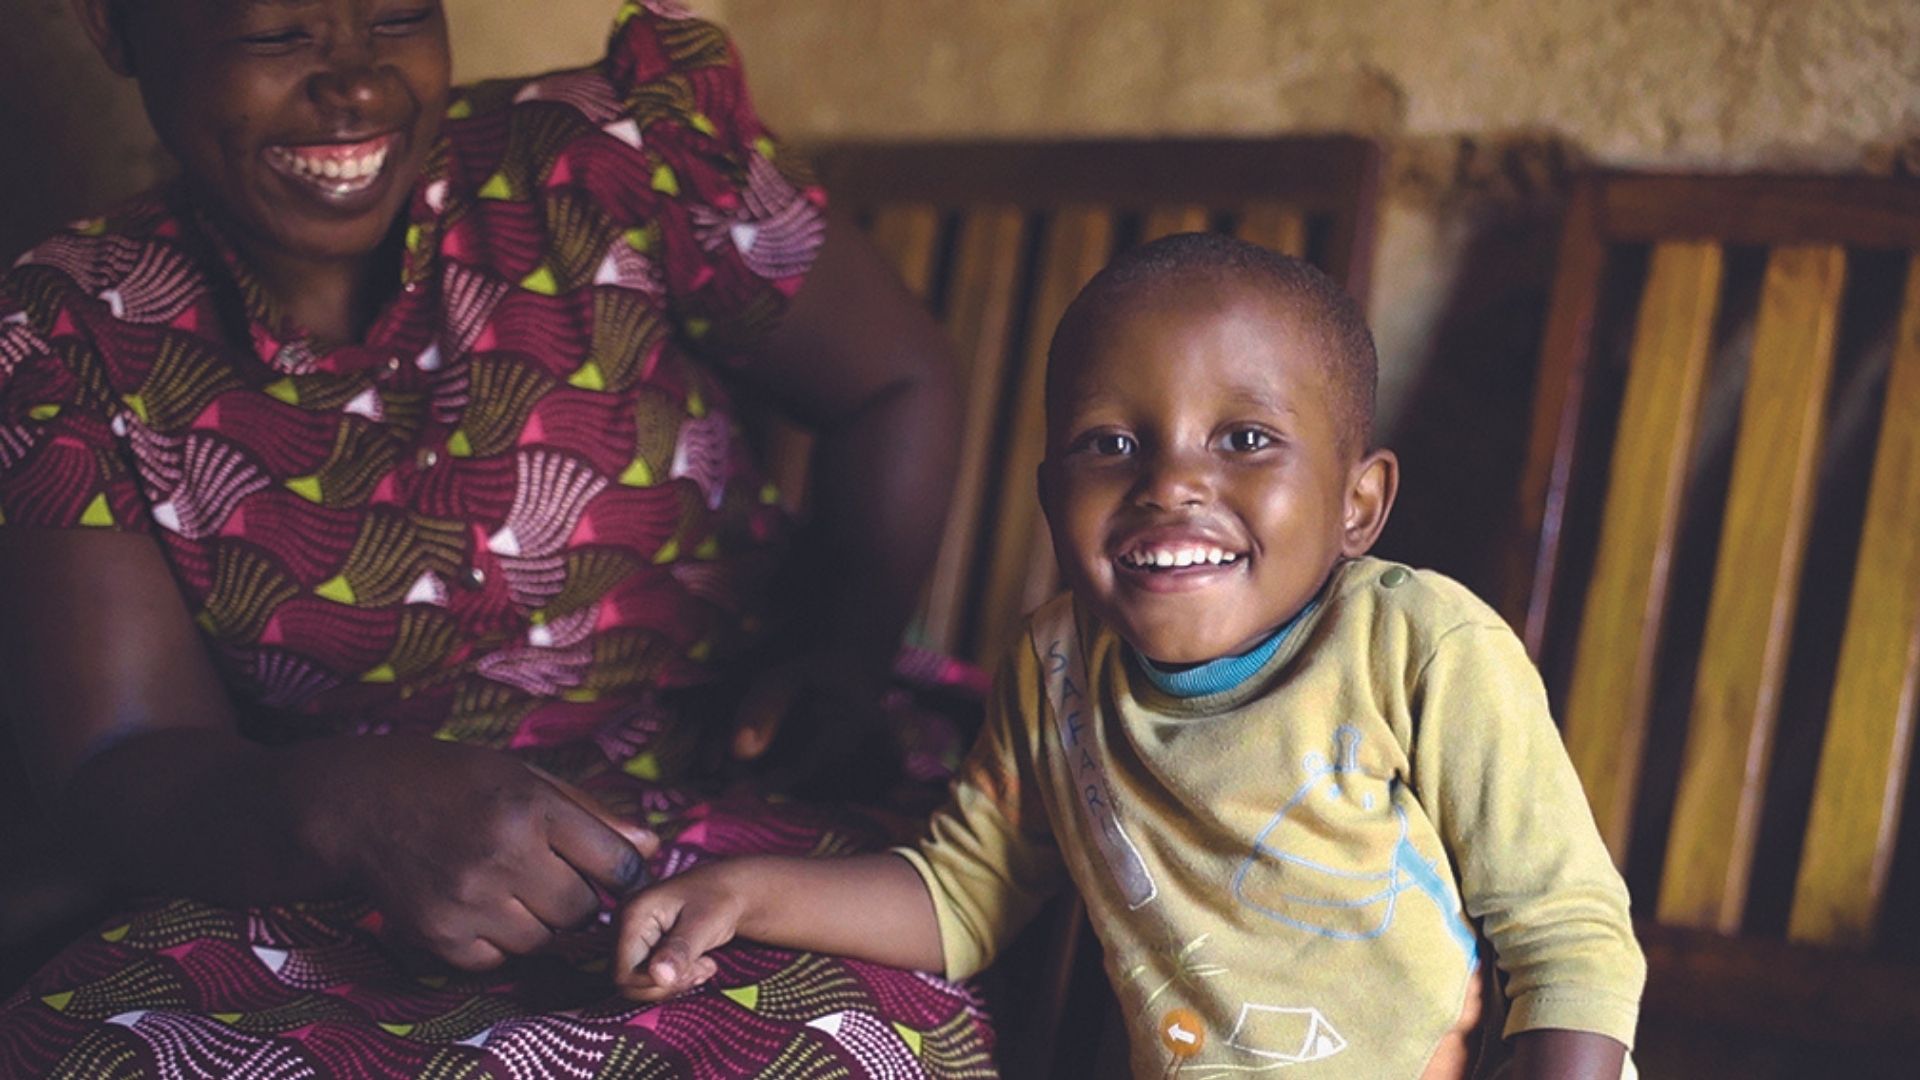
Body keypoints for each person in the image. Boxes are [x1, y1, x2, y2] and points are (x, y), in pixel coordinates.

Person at [0, 0, 996, 1074]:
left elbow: (896, 381)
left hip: (741, 843)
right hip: (317, 896)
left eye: (395, 17)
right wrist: (347, 811)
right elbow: (119, 760)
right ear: (113, 28)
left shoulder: (602, 159)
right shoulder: (73, 334)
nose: (358, 84)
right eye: (277, 34)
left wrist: (840, 655)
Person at [614, 234, 1648, 1078]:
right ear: (1048, 494)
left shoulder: (1421, 648)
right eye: (1110, 443)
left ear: (1359, 503)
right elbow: (963, 897)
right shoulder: (1060, 668)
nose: (1169, 483)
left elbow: (1571, 938)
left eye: (1244, 438)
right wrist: (743, 894)